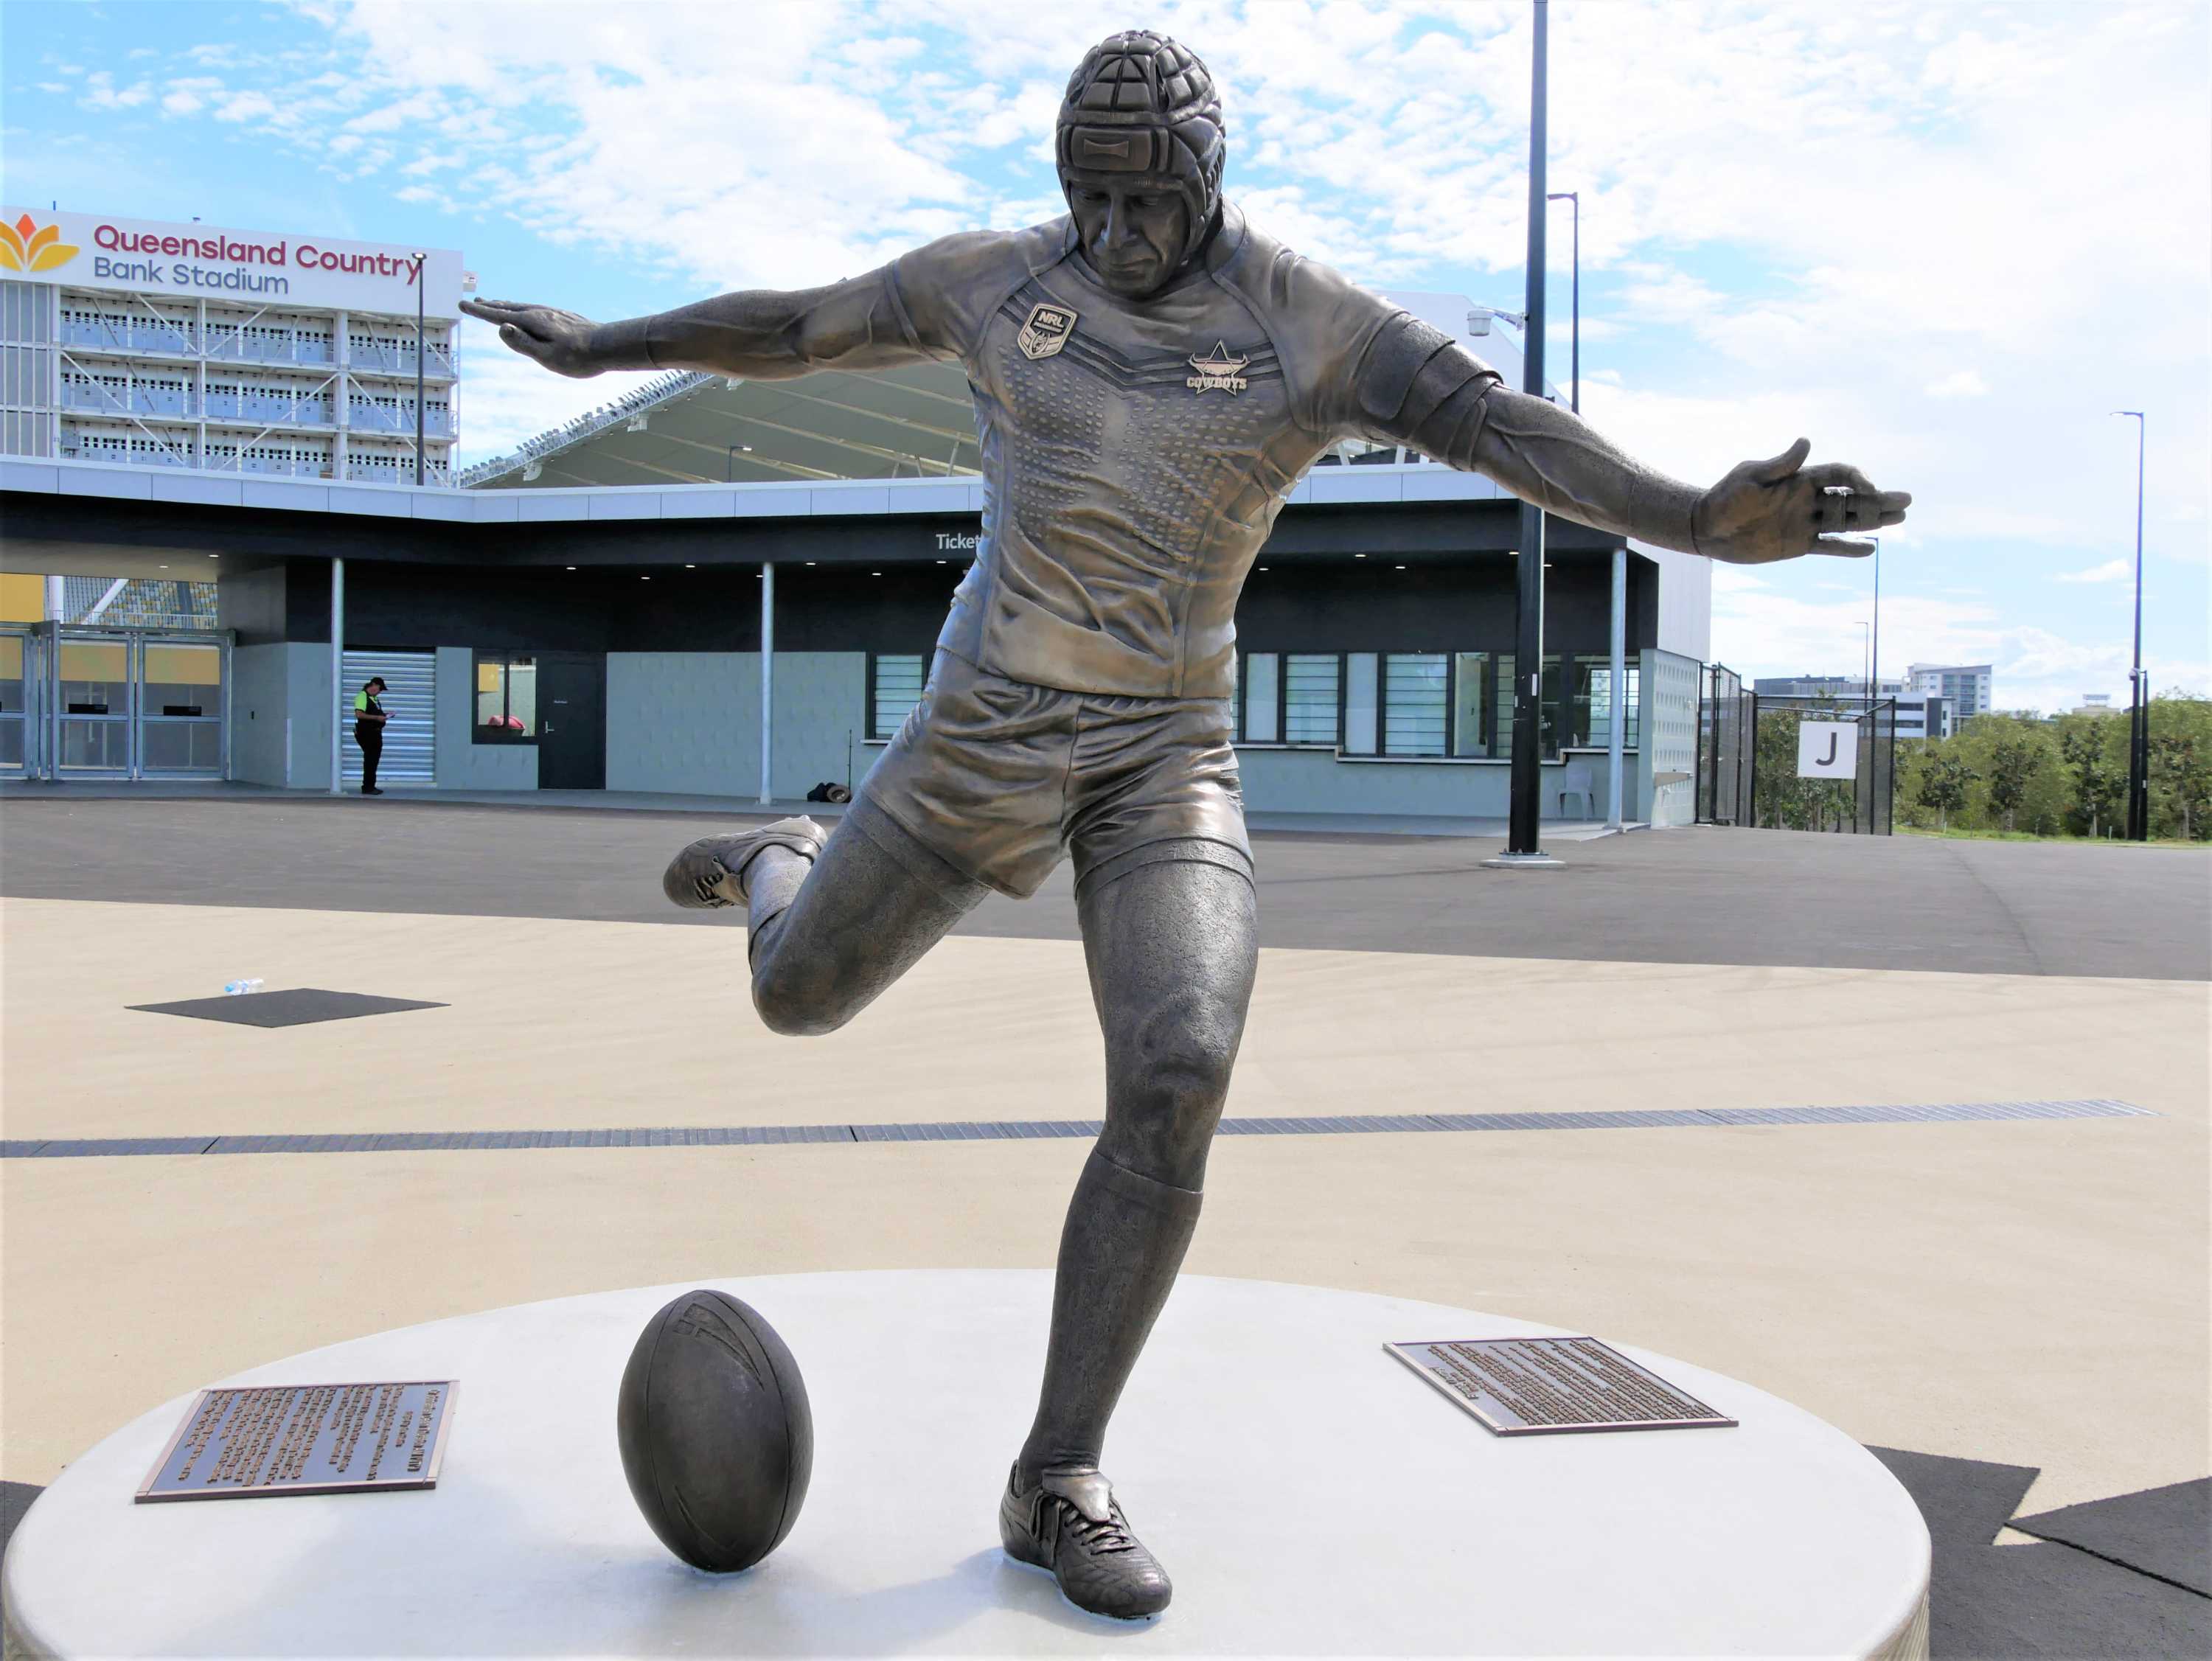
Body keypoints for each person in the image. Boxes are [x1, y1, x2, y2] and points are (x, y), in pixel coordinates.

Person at [465, 29, 1908, 1620]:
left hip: (1167, 749)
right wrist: (604, 345)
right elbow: (795, 326)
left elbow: (1506, 431)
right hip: (983, 729)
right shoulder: (993, 280)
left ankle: (1056, 1473)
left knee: (1181, 1066)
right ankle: (781, 860)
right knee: (794, 996)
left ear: (1212, 179)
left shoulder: (1311, 321)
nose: (1115, 233)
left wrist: (1696, 515)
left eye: (1146, 201)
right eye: (1089, 196)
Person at [354, 675, 389, 795]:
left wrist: (384, 717)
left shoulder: (374, 699)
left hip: (375, 733)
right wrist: (377, 718)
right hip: (367, 733)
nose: (379, 692)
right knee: (370, 760)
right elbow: (359, 714)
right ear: (373, 685)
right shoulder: (362, 696)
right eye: (379, 689)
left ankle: (371, 785)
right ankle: (367, 787)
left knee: (373, 760)